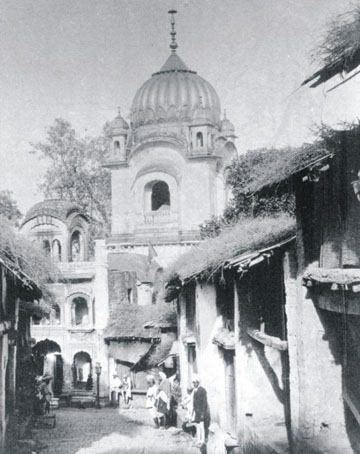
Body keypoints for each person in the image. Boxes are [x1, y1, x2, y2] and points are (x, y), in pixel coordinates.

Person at [192, 375, 210, 446]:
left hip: (201, 412)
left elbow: (204, 403)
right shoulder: (195, 391)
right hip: (197, 412)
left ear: (198, 382)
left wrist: (203, 413)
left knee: (202, 426)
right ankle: (198, 440)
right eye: (193, 383)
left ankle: (202, 441)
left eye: (195, 382)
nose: (194, 384)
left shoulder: (202, 390)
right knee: (198, 426)